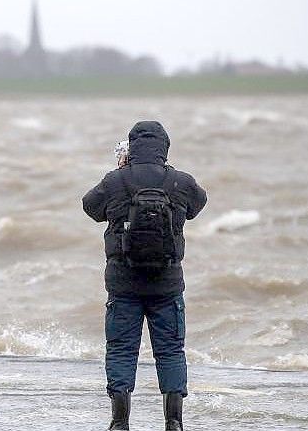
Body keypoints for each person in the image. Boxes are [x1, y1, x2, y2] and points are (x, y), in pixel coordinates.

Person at [82, 121, 207, 431]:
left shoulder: (115, 181)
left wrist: (121, 171)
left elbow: (90, 208)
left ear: (131, 148)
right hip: (167, 284)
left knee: (122, 349)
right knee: (170, 350)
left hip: (123, 284)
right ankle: (174, 422)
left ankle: (119, 422)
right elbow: (198, 204)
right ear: (164, 148)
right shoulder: (179, 181)